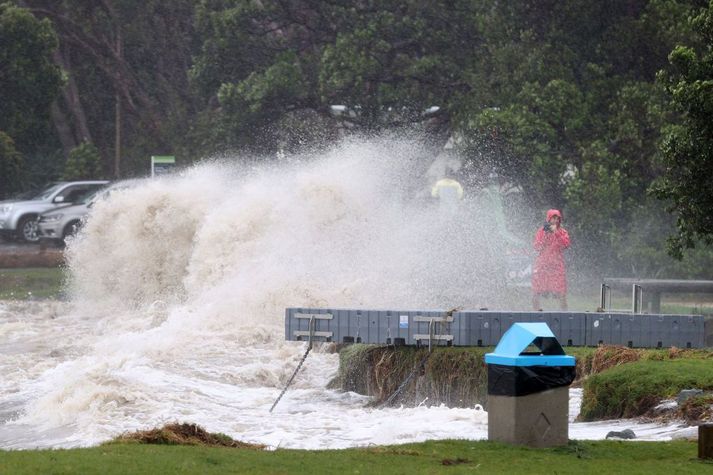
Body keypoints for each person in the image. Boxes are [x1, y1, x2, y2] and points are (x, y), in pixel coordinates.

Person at [532, 209, 570, 310]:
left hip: (557, 267)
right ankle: (536, 313)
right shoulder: (541, 231)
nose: (556, 220)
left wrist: (556, 233)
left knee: (561, 292)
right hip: (542, 265)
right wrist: (545, 234)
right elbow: (536, 247)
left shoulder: (562, 232)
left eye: (558, 218)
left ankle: (565, 315)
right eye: (554, 218)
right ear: (549, 219)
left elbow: (565, 244)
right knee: (536, 291)